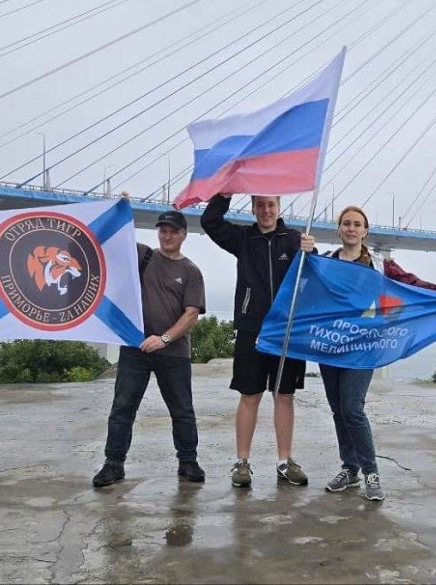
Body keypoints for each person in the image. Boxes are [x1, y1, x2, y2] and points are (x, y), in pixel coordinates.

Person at [320, 206, 436, 501]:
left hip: (364, 347)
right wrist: (304, 252)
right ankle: (349, 468)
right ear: (339, 229)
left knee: (352, 409)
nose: (351, 228)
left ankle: (371, 472)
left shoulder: (380, 265)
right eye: (346, 223)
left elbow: (412, 285)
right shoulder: (326, 261)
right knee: (338, 410)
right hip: (332, 344)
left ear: (365, 231)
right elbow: (304, 288)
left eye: (357, 224)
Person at [201, 194, 315, 488]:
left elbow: (311, 275)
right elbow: (209, 222)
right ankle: (242, 462)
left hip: (286, 331)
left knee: (284, 395)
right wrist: (225, 194)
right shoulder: (242, 238)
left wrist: (311, 251)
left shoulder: (294, 239)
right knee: (250, 395)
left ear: (279, 207)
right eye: (260, 205)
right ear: (252, 208)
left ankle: (284, 461)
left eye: (271, 205)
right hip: (252, 329)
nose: (266, 210)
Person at [93, 210, 207, 487]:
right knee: (122, 408)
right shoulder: (143, 255)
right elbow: (108, 240)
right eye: (163, 230)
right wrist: (120, 208)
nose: (167, 236)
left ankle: (188, 461)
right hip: (136, 349)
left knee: (182, 409)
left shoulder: (191, 271)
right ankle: (113, 464)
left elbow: (191, 313)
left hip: (173, 353)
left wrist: (164, 339)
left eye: (173, 231)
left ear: (183, 234)